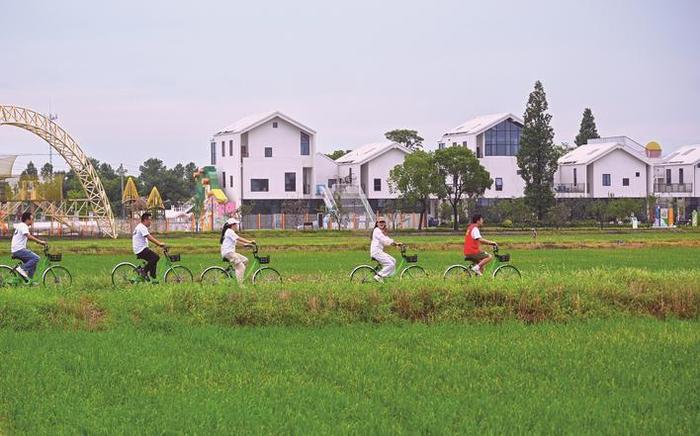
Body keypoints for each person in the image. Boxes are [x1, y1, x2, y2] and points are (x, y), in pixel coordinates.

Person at [11, 212, 47, 282]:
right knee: (36, 258)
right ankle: (21, 269)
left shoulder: (21, 225)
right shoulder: (23, 226)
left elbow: (26, 237)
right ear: (27, 219)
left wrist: (37, 242)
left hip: (17, 249)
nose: (32, 221)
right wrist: (40, 242)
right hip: (19, 250)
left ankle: (29, 281)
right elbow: (28, 236)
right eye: (32, 219)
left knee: (33, 264)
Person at [133, 212, 167, 282]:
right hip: (141, 250)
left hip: (140, 249)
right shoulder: (142, 227)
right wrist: (159, 244)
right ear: (145, 220)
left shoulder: (139, 226)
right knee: (156, 257)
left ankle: (153, 278)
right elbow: (148, 237)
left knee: (153, 261)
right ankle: (143, 271)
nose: (150, 222)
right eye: (149, 220)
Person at [220, 218, 255, 284]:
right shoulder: (229, 231)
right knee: (241, 267)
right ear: (232, 225)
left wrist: (246, 245)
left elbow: (236, 241)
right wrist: (249, 241)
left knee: (245, 260)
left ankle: (234, 272)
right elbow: (238, 238)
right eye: (236, 224)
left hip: (230, 252)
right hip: (229, 253)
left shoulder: (229, 232)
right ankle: (240, 285)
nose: (237, 226)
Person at [370, 217, 403, 283]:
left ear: (385, 223)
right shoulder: (377, 230)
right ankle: (379, 276)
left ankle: (387, 277)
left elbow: (386, 240)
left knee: (393, 260)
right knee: (390, 264)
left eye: (383, 222)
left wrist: (396, 243)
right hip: (376, 252)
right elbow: (384, 239)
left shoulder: (381, 231)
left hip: (379, 251)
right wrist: (395, 244)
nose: (381, 223)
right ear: (377, 223)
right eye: (380, 222)